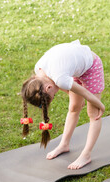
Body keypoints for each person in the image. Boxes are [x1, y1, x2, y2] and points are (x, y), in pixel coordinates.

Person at [21, 40, 105, 170]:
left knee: (93, 114)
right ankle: (64, 144)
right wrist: (75, 98)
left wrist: (100, 105)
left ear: (49, 88)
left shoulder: (59, 79)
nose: (54, 96)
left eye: (53, 96)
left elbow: (87, 95)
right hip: (73, 69)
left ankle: (86, 155)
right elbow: (67, 86)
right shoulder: (39, 71)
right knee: (73, 107)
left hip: (91, 66)